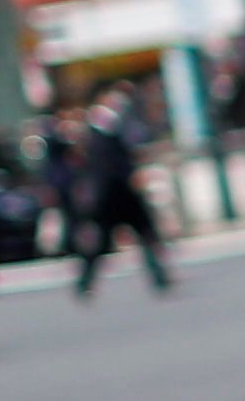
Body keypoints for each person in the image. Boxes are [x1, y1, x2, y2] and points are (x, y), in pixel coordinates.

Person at [69, 88, 173, 297]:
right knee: (102, 243)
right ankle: (84, 282)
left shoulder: (111, 132)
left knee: (146, 235)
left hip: (121, 196)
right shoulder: (99, 135)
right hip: (110, 198)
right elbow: (109, 168)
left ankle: (159, 277)